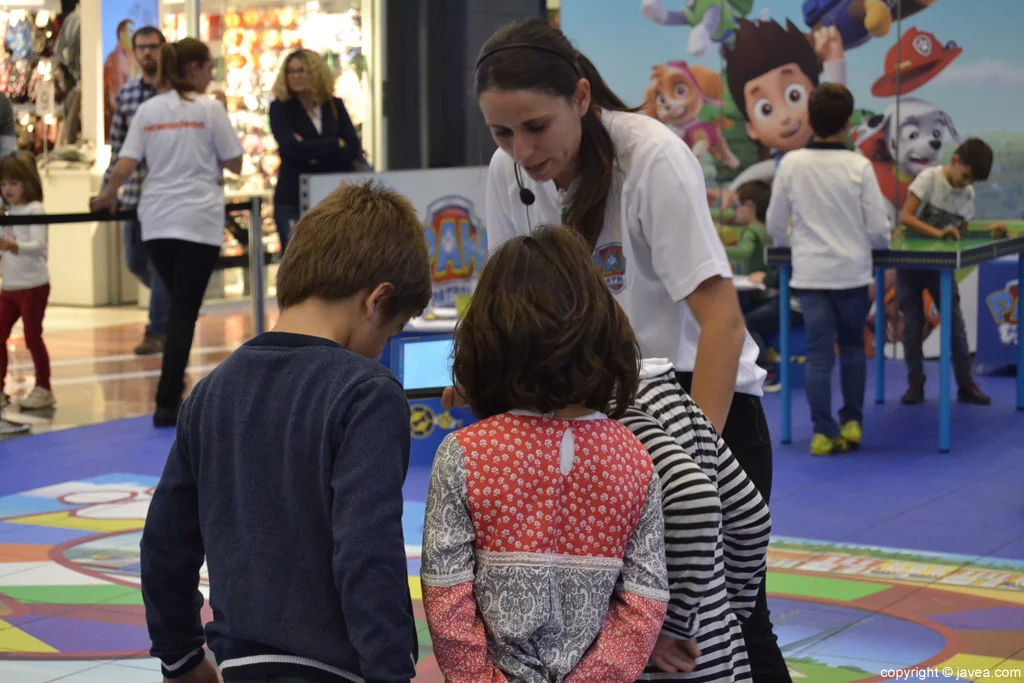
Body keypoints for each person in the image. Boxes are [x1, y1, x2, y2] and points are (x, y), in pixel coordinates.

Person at [455, 17, 790, 682]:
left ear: (582, 97)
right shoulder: (508, 173)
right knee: (608, 632)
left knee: (725, 624)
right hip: (593, 420)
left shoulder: (652, 157)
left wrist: (688, 461)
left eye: (535, 127)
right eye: (502, 132)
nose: (521, 148)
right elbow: (511, 305)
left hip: (695, 405)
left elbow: (721, 323)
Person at [138, 181, 430, 683]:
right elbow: (368, 553)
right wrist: (391, 674)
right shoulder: (367, 393)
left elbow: (164, 546)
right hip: (338, 668)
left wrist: (180, 657)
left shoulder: (210, 392)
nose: (382, 348)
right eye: (391, 330)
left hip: (239, 665)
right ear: (376, 301)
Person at [422, 225, 668, 682]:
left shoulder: (464, 454)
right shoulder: (634, 459)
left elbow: (445, 595)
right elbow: (644, 600)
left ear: (488, 336)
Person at [91, 38, 244, 427]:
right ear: (192, 69)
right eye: (209, 67)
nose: (211, 74)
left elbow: (126, 162)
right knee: (181, 312)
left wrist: (108, 194)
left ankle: (170, 390)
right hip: (197, 221)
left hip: (156, 220)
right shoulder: (210, 110)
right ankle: (167, 397)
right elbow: (235, 162)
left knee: (178, 308)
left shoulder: (149, 110)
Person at [765, 83, 891, 455]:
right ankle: (852, 422)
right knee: (852, 349)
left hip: (811, 274)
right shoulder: (859, 166)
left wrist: (790, 248)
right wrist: (878, 248)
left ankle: (823, 432)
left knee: (820, 356)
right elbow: (878, 230)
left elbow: (775, 224)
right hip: (853, 274)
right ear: (849, 123)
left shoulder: (791, 164)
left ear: (810, 121)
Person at [897, 137, 1005, 406]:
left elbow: (961, 232)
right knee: (911, 327)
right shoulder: (928, 179)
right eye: (966, 176)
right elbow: (906, 217)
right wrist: (937, 232)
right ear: (955, 161)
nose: (966, 183)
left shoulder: (967, 193)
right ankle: (915, 382)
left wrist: (988, 233)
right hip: (910, 265)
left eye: (972, 181)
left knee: (955, 325)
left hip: (940, 269)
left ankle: (966, 384)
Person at [101, 25, 169, 357]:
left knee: (159, 266)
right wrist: (107, 191)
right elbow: (118, 149)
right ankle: (173, 305)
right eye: (140, 47)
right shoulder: (128, 95)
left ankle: (157, 330)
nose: (146, 54)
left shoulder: (175, 94)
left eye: (152, 47)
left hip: (168, 198)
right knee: (136, 263)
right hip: (134, 197)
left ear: (163, 49)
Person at [269, 48, 363, 251]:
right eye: (291, 72)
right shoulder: (280, 108)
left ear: (315, 72)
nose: (296, 76)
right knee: (296, 259)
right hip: (293, 196)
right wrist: (333, 144)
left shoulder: (334, 105)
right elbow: (291, 150)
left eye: (301, 71)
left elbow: (353, 148)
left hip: (332, 196)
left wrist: (310, 151)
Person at [730, 180, 802, 392]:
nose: (735, 212)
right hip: (783, 296)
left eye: (737, 206)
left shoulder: (754, 231)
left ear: (750, 206)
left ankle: (765, 370)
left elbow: (743, 253)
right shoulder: (771, 231)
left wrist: (713, 248)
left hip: (791, 300)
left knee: (745, 323)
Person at [0, 151, 55, 410]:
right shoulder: (6, 212)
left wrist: (11, 246)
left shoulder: (35, 210)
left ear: (28, 183)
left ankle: (44, 387)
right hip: (9, 286)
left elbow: (38, 245)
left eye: (14, 183)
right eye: (3, 183)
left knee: (33, 336)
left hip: (33, 286)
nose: (7, 189)